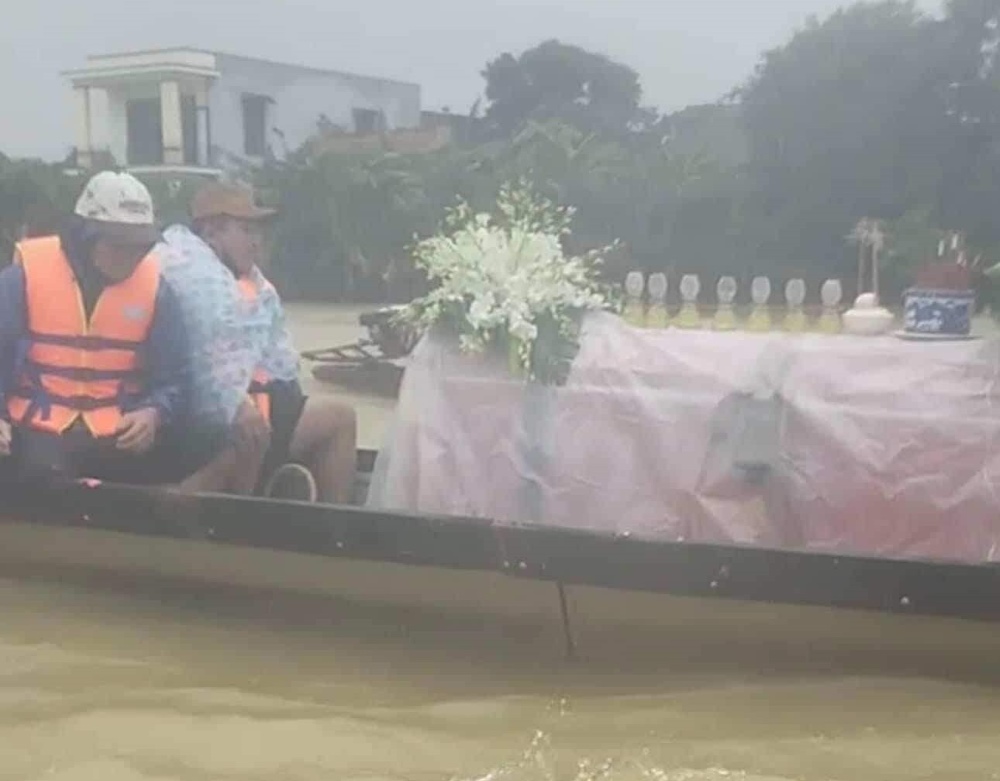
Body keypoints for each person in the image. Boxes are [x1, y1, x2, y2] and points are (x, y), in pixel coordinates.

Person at [0, 170, 265, 492]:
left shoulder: (156, 289)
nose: (133, 256)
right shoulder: (21, 280)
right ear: (86, 237)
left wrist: (153, 412)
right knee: (37, 471)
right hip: (34, 433)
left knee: (216, 439)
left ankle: (179, 515)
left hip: (118, 435)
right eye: (121, 245)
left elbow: (174, 379)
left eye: (141, 246)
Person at [156, 181, 357, 504]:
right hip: (195, 415)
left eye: (258, 232)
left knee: (333, 417)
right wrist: (240, 406)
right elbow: (209, 364)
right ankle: (190, 503)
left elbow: (279, 360)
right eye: (246, 230)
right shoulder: (195, 278)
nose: (257, 241)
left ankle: (273, 492)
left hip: (248, 400)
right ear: (211, 232)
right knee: (322, 421)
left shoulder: (244, 278)